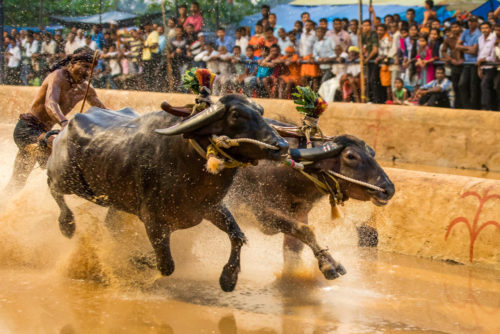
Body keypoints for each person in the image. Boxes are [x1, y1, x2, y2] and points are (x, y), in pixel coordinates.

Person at [4, 52, 106, 193]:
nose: (87, 72)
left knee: (17, 181)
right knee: (64, 152)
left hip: (45, 134)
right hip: (27, 129)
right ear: (71, 65)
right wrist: (65, 123)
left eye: (90, 69)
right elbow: (50, 104)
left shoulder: (85, 89)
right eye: (84, 66)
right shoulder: (58, 76)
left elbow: (103, 111)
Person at [456, 16, 481, 109]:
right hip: (467, 62)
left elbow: (474, 52)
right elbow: (457, 46)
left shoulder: (478, 34)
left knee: (473, 86)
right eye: (469, 21)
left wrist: (463, 48)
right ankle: (466, 106)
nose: (470, 23)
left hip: (475, 63)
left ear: (476, 22)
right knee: (462, 84)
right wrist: (468, 48)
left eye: (472, 21)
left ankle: (473, 107)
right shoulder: (465, 32)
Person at [477, 22, 497, 111]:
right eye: (482, 28)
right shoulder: (480, 38)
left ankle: (486, 107)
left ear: (490, 29)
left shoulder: (494, 39)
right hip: (482, 67)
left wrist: (483, 60)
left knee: (485, 85)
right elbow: (479, 54)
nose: (484, 30)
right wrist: (479, 67)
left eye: (486, 28)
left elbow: (493, 58)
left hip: (491, 67)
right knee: (485, 86)